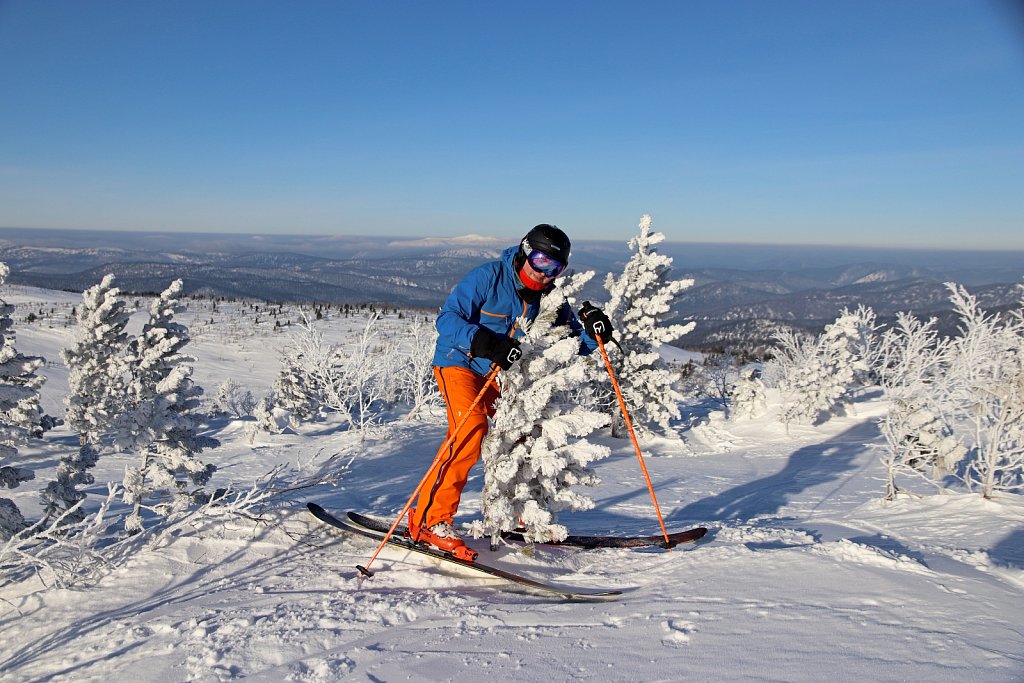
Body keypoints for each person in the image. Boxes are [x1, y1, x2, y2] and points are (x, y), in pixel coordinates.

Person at [408, 224, 613, 559]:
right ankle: (430, 520)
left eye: (555, 268)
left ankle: (523, 515)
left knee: (524, 436)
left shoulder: (550, 301)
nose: (545, 273)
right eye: (540, 260)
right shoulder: (488, 277)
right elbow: (447, 319)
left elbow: (568, 345)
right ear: (524, 251)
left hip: (503, 378)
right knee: (470, 429)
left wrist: (595, 333)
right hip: (459, 363)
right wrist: (485, 342)